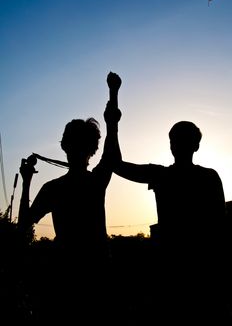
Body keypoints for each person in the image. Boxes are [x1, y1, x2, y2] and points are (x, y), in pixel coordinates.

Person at [17, 72, 122, 324]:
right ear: (92, 150)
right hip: (98, 274)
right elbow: (112, 144)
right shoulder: (96, 181)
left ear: (64, 146)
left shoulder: (53, 188)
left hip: (64, 276)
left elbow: (24, 224)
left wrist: (27, 181)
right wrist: (113, 93)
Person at [114, 120, 229, 324]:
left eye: (176, 141)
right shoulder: (209, 177)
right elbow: (221, 227)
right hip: (198, 273)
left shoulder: (162, 175)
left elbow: (117, 165)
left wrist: (112, 118)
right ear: (197, 145)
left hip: (176, 272)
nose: (175, 145)